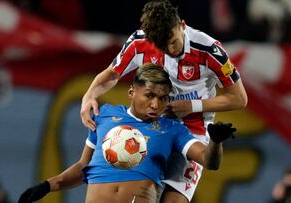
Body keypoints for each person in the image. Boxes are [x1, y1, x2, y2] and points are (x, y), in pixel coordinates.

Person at [80, 0, 247, 202]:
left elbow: (239, 98)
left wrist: (192, 106)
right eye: (162, 46)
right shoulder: (139, 42)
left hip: (192, 131)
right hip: (153, 129)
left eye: (173, 41)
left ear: (182, 25)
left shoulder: (209, 50)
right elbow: (112, 75)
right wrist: (89, 95)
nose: (170, 50)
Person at [19, 63, 236, 203]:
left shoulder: (173, 129)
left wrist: (215, 142)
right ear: (132, 92)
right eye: (149, 95)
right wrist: (48, 185)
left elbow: (210, 161)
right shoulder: (104, 115)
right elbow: (83, 167)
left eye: (162, 98)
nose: (155, 104)